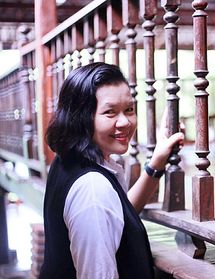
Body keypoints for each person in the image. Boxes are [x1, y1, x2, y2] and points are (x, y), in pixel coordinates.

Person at [39, 62, 184, 279]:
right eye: (110, 112)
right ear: (82, 118)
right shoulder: (92, 188)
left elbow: (115, 217)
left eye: (129, 109)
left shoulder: (68, 162)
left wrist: (156, 163)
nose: (125, 122)